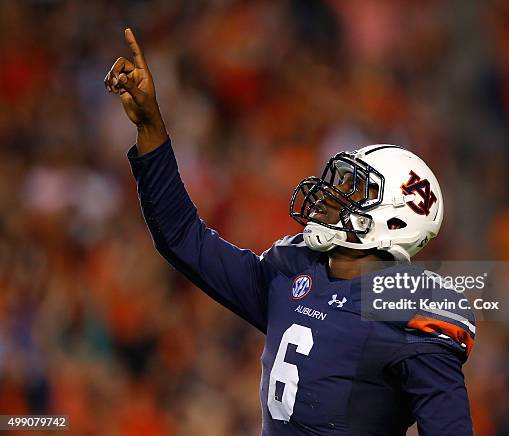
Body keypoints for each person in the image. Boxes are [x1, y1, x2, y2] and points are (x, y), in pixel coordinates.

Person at [104, 28, 475, 436]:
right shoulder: (294, 268)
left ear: (395, 220)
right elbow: (182, 238)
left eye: (354, 189)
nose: (331, 193)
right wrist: (151, 127)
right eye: (340, 180)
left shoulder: (411, 310)